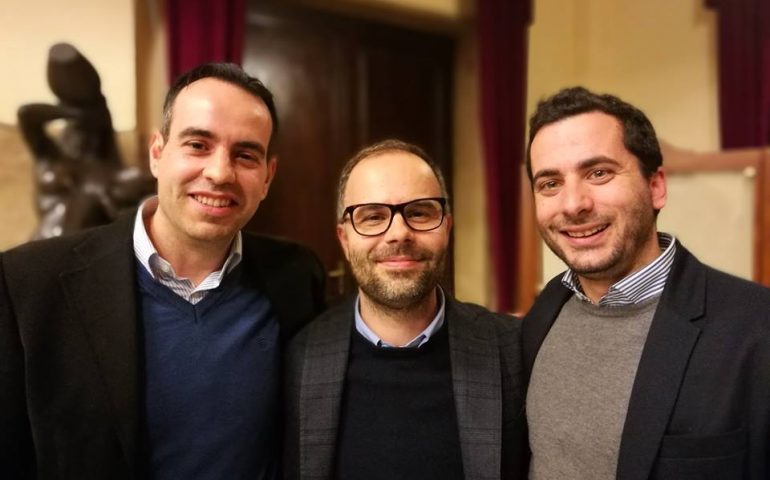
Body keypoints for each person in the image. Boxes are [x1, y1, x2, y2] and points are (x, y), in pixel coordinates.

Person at [0, 63, 326, 479]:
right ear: (157, 153)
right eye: (197, 145)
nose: (219, 173)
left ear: (267, 177)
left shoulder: (296, 275)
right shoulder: (28, 283)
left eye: (245, 155)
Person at [523, 86, 770, 479]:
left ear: (656, 187)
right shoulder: (544, 312)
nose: (573, 204)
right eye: (550, 183)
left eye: (598, 173)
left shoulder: (757, 327)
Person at [284, 139, 527, 480]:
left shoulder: (513, 351)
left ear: (447, 226)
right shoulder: (298, 358)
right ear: (344, 238)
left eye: (419, 213)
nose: (399, 234)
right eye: (372, 216)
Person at [17, 42, 154, 239]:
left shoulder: (112, 175)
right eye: (80, 130)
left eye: (92, 132)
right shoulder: (50, 156)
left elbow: (126, 224)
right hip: (38, 246)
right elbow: (26, 115)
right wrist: (73, 113)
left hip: (80, 254)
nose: (86, 138)